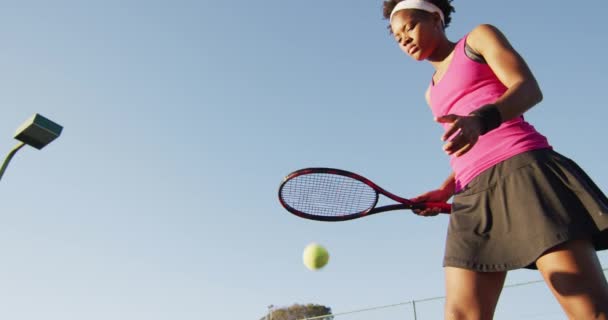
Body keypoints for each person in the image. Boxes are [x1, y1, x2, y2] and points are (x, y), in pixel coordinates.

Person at [382, 0, 608, 318]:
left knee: (590, 311)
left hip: (523, 172)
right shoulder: (431, 93)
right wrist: (446, 189)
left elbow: (528, 88)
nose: (404, 38)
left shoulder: (478, 38)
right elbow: (468, 147)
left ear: (436, 18)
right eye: (396, 36)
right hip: (470, 197)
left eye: (410, 27)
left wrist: (480, 119)